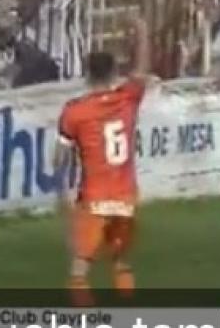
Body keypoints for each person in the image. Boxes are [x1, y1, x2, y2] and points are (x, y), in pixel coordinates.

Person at [54, 16, 151, 307]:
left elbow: (60, 158)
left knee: (80, 267)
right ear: (113, 73)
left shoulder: (75, 112)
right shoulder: (128, 98)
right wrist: (142, 31)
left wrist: (62, 195)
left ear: (87, 76)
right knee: (121, 262)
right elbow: (142, 70)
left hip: (94, 197)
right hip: (125, 196)